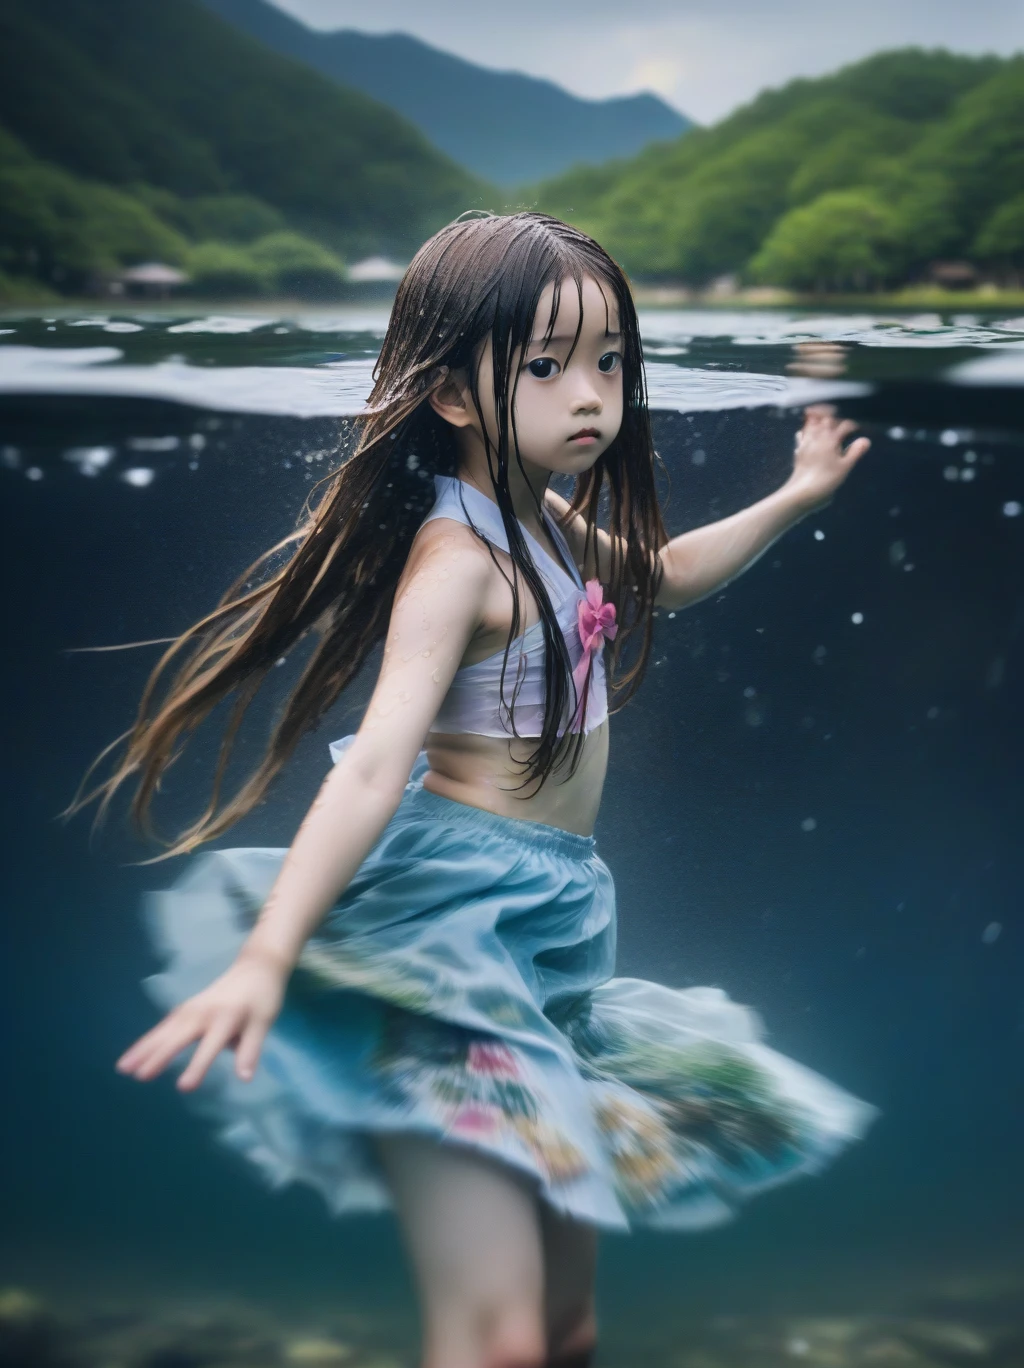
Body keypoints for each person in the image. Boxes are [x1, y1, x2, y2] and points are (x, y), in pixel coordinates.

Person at [76, 213, 876, 1368]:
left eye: (609, 361)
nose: (591, 395)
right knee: (498, 1341)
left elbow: (665, 579)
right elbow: (373, 773)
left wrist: (795, 495)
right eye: (547, 366)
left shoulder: (538, 517)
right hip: (447, 930)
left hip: (556, 925)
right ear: (452, 393)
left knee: (565, 1331)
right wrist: (266, 956)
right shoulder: (456, 564)